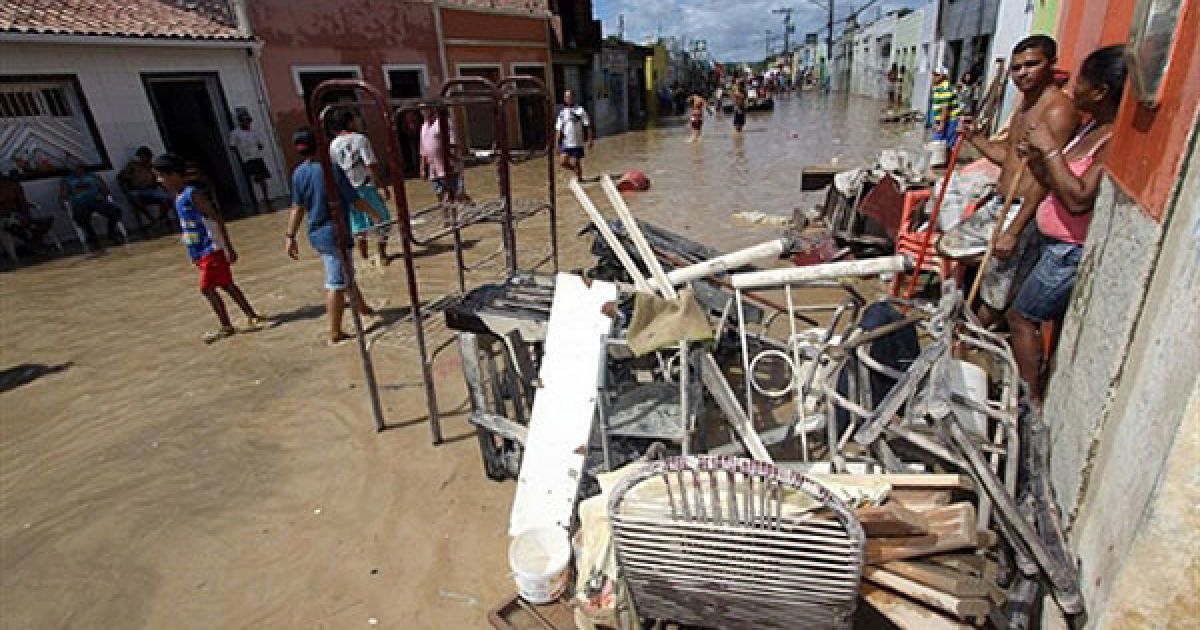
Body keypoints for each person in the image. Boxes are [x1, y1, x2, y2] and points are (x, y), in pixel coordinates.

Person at [1007, 45, 1125, 407]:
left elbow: (1077, 199)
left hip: (1068, 250)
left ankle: (1030, 402)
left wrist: (1051, 151)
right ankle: (1034, 380)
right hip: (1051, 239)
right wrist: (1038, 159)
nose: (1074, 88)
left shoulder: (1110, 139)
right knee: (1036, 318)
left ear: (1102, 92)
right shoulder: (1089, 126)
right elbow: (1054, 182)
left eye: (1082, 83)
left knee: (1021, 317)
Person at [152, 152, 264, 343]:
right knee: (226, 284)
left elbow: (215, 218)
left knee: (207, 288)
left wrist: (228, 246)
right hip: (201, 252)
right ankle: (251, 315)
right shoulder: (178, 198)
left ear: (174, 175)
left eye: (161, 176)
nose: (159, 180)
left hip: (211, 250)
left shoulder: (192, 195)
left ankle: (226, 326)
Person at [284, 128, 378, 345]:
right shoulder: (331, 170)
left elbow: (297, 208)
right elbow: (355, 200)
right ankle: (334, 332)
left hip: (316, 234)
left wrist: (290, 236)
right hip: (335, 233)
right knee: (336, 282)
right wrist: (374, 215)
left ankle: (363, 309)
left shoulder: (298, 173)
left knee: (345, 272)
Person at [329, 109, 391, 265]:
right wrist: (382, 186)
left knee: (357, 225)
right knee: (382, 220)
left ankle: (364, 258)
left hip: (347, 191)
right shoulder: (360, 139)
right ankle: (382, 255)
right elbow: (371, 164)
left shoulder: (333, 145)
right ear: (350, 122)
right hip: (366, 187)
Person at [59, 161, 124, 248]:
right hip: (80, 203)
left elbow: (105, 189)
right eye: (76, 168)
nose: (78, 170)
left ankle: (111, 232)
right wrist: (63, 200)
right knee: (81, 217)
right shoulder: (67, 180)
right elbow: (63, 194)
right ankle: (92, 236)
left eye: (80, 167)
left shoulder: (94, 177)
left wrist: (104, 194)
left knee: (115, 212)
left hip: (95, 200)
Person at [418, 101, 466, 203]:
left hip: (447, 166)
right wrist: (422, 167)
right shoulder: (424, 126)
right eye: (421, 110)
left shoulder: (443, 122)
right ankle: (447, 217)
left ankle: (469, 208)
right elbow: (423, 149)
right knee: (439, 193)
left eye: (425, 109)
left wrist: (452, 161)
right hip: (433, 168)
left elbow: (453, 143)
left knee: (455, 194)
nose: (423, 112)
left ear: (432, 109)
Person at [118, 146, 175, 231]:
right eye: (143, 157)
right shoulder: (132, 165)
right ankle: (151, 219)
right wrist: (126, 190)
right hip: (137, 191)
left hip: (151, 190)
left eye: (147, 157)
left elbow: (160, 180)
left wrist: (165, 187)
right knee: (134, 196)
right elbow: (121, 178)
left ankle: (159, 220)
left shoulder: (153, 167)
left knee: (167, 198)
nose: (146, 159)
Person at [228, 111, 272, 212]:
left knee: (262, 178)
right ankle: (254, 198)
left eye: (248, 121)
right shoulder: (236, 133)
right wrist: (242, 152)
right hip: (247, 159)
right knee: (252, 178)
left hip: (257, 156)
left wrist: (257, 148)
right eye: (245, 121)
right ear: (240, 122)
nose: (247, 123)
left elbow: (260, 144)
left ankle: (266, 197)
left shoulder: (253, 132)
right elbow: (232, 146)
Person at [0, 171, 53, 252]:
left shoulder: (13, 185)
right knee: (12, 224)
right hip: (4, 217)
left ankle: (34, 241)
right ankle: (33, 242)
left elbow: (23, 202)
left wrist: (26, 215)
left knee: (47, 221)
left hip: (18, 214)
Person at [555, 90, 593, 181]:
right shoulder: (562, 113)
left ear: (573, 98)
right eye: (566, 97)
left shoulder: (580, 110)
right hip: (566, 142)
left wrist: (590, 139)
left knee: (576, 162)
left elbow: (587, 125)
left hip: (577, 142)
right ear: (564, 99)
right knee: (562, 162)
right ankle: (576, 171)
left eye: (570, 97)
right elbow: (558, 129)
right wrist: (557, 144)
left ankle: (580, 179)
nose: (568, 99)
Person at [930, 67, 960, 147]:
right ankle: (944, 158)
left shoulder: (945, 88)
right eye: (933, 74)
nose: (934, 77)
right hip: (943, 118)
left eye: (937, 75)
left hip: (950, 119)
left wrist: (941, 124)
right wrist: (936, 121)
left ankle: (947, 158)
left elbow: (944, 108)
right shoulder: (938, 87)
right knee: (939, 143)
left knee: (945, 144)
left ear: (943, 76)